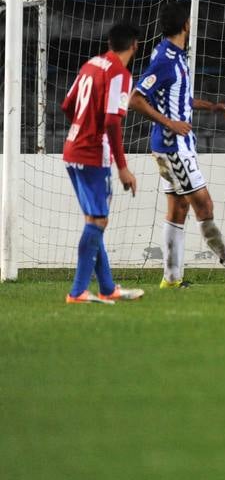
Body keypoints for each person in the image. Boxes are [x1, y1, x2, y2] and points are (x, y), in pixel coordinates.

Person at [128, 1, 225, 289]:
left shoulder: (171, 56)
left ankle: (171, 278)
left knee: (178, 209)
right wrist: (170, 123)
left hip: (173, 145)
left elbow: (177, 99)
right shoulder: (166, 60)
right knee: (204, 204)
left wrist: (211, 106)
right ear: (186, 26)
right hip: (173, 146)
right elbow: (136, 98)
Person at [60, 21, 145, 304]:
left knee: (94, 220)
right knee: (98, 220)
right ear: (135, 45)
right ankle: (78, 291)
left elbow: (66, 105)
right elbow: (111, 121)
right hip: (93, 153)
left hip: (73, 149)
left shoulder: (91, 65)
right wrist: (122, 167)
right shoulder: (120, 74)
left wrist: (81, 128)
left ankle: (108, 288)